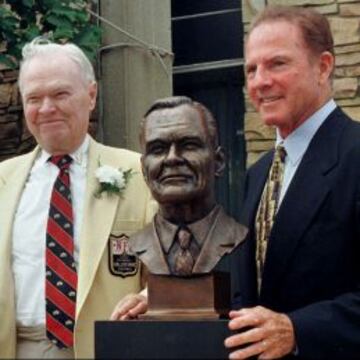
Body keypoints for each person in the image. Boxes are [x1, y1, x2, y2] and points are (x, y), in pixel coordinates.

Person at [0, 37, 155, 359]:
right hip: (18, 347)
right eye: (34, 98)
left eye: (60, 94)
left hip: (109, 349)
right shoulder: (3, 180)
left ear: (91, 95)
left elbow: (168, 272)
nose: (46, 108)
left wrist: (149, 296)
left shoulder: (138, 173)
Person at [224, 5, 360, 359]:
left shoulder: (355, 155)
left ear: (323, 66)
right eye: (251, 69)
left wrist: (298, 330)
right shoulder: (259, 173)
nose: (260, 81)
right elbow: (249, 287)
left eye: (277, 64)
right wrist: (156, 301)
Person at [111, 96, 247, 319]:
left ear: (219, 161)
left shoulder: (240, 240)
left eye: (189, 145)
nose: (172, 158)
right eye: (158, 149)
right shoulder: (138, 243)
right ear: (144, 170)